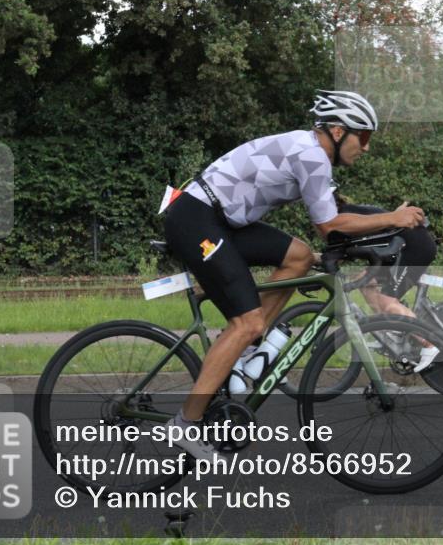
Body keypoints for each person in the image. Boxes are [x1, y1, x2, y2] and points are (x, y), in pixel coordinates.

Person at [160, 90, 426, 461]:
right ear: (337, 131)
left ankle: (246, 354)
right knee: (247, 322)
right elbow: (330, 224)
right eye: (363, 137)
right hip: (196, 218)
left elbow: (336, 213)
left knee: (299, 257)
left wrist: (380, 224)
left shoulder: (311, 152)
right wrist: (393, 219)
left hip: (223, 220)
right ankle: (186, 424)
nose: (365, 147)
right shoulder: (310, 155)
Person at [335, 198, 440, 370]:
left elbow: (343, 252)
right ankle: (391, 332)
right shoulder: (349, 211)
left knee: (387, 300)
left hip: (414, 249)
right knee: (364, 282)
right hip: (401, 248)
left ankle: (429, 343)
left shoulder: (343, 219)